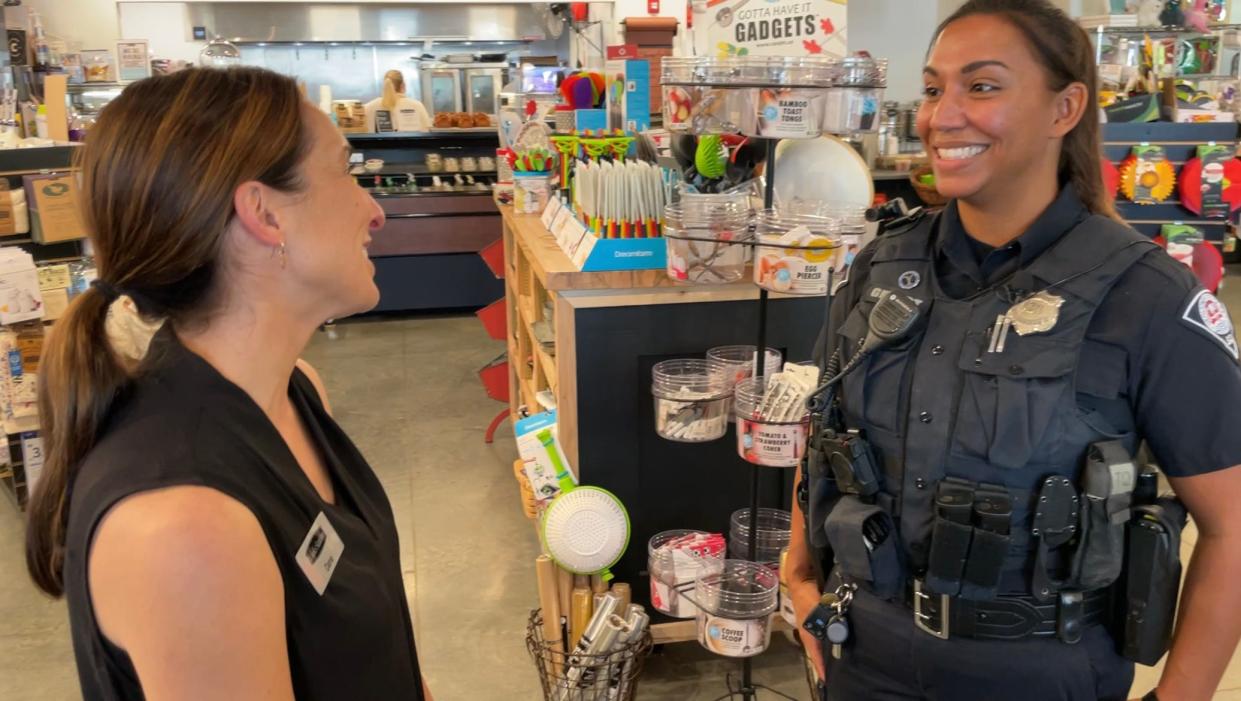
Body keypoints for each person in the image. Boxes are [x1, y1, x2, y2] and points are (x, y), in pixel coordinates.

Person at [786, 1, 1241, 700]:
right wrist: (799, 576)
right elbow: (823, 434)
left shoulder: (1145, 296)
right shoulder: (880, 269)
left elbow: (1230, 524)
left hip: (1035, 672)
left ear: (1064, 108)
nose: (942, 115)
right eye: (934, 88)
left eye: (982, 86)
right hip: (863, 657)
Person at [24, 67, 434, 700]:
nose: (374, 211)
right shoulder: (188, 529)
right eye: (345, 171)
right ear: (264, 213)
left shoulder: (295, 392)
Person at [365, 69, 432, 133]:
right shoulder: (417, 105)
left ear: (385, 85)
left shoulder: (370, 106)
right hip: (411, 144)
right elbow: (426, 131)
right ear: (403, 85)